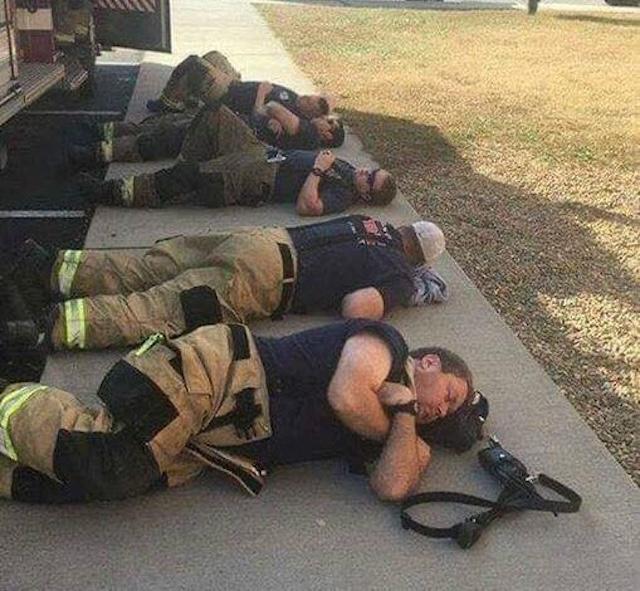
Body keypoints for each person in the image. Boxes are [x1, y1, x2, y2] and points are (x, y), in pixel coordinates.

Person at [0, 318, 480, 504]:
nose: (441, 410)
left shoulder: (403, 424)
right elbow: (346, 396)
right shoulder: (388, 346)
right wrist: (395, 423)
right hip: (218, 375)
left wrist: (404, 415)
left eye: (448, 414)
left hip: (219, 442)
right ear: (430, 363)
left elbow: (393, 486)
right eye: (450, 396)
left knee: (74, 487)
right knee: (112, 463)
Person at [1, 215, 447, 351]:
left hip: (258, 239)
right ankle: (45, 327)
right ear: (420, 259)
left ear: (406, 229)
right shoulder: (398, 271)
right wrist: (399, 295)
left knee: (151, 266)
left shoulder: (369, 222)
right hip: (266, 279)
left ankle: (48, 267)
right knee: (161, 309)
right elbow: (357, 309)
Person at [67, 102, 345, 169]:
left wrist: (273, 115)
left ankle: (94, 154)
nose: (323, 118)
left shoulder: (309, 133)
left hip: (229, 133)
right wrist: (273, 117)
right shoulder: (305, 129)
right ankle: (100, 133)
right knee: (163, 125)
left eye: (329, 121)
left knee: (167, 138)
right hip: (232, 124)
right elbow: (267, 112)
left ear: (328, 133)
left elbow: (271, 107)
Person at [145, 50, 335, 120]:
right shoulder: (295, 98)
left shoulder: (289, 113)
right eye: (310, 96)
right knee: (214, 56)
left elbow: (257, 118)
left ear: (309, 113)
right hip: (237, 85)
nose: (305, 97)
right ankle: (190, 95)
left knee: (194, 63)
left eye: (308, 101)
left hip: (227, 96)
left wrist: (261, 93)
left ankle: (168, 102)